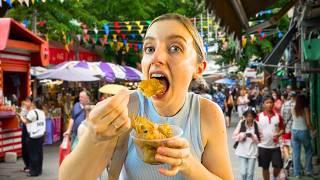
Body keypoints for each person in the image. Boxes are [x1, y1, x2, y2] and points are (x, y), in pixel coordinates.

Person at [60, 13, 233, 180]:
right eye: (149, 49)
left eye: (175, 48)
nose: (156, 58)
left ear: (198, 68)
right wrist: (93, 136)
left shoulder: (207, 114)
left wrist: (189, 165)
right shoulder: (126, 109)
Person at [257, 95, 284, 180]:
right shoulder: (258, 116)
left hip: (275, 146)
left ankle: (274, 177)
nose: (269, 104)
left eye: (271, 102)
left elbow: (282, 129)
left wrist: (279, 134)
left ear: (274, 104)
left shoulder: (278, 116)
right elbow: (253, 128)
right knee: (265, 168)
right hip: (263, 146)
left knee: (278, 166)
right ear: (263, 104)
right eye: (267, 102)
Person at [291, 94, 317, 177]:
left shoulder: (293, 108)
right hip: (303, 131)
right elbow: (308, 123)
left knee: (296, 153)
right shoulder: (305, 109)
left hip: (294, 131)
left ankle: (297, 173)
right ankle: (308, 170)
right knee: (309, 150)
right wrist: (313, 129)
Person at [19, 98, 46, 176]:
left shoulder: (32, 112)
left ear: (34, 104)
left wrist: (20, 116)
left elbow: (25, 121)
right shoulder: (42, 112)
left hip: (33, 136)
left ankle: (33, 172)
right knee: (39, 153)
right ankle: (39, 170)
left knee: (33, 154)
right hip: (40, 135)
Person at [233, 108, 260, 180]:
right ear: (245, 116)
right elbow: (234, 136)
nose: (249, 118)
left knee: (250, 173)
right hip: (242, 151)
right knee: (243, 172)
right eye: (247, 116)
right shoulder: (241, 123)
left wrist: (253, 136)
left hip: (253, 151)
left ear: (254, 117)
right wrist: (243, 135)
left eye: (251, 116)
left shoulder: (256, 124)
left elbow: (260, 139)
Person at [280, 91, 296, 171]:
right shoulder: (298, 104)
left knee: (285, 144)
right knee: (294, 146)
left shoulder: (284, 105)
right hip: (296, 128)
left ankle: (289, 158)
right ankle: (293, 161)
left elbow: (282, 118)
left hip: (286, 129)